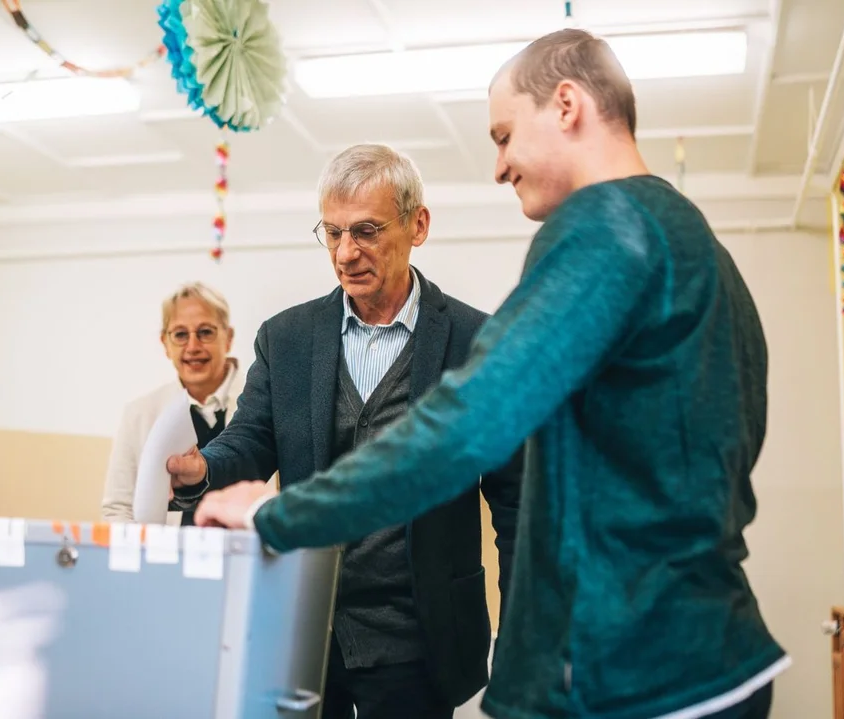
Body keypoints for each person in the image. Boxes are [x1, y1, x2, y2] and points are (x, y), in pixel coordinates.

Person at [194, 29, 785, 719]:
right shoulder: (691, 238)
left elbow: (462, 427)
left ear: (566, 104)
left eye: (505, 135)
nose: (499, 165)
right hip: (712, 655)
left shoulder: (601, 229)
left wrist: (278, 513)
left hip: (626, 675)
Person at [166, 143, 524, 719]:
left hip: (421, 637)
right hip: (304, 624)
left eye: (365, 231)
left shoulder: (475, 340)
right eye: (331, 233)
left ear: (418, 225)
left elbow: (513, 503)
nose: (346, 253)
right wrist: (207, 466)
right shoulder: (285, 338)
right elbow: (252, 439)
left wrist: (519, 638)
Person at [100, 282, 245, 526]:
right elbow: (117, 510)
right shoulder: (139, 414)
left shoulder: (261, 403)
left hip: (243, 557)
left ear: (228, 338)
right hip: (163, 560)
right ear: (165, 344)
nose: (193, 347)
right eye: (180, 335)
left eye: (205, 332)